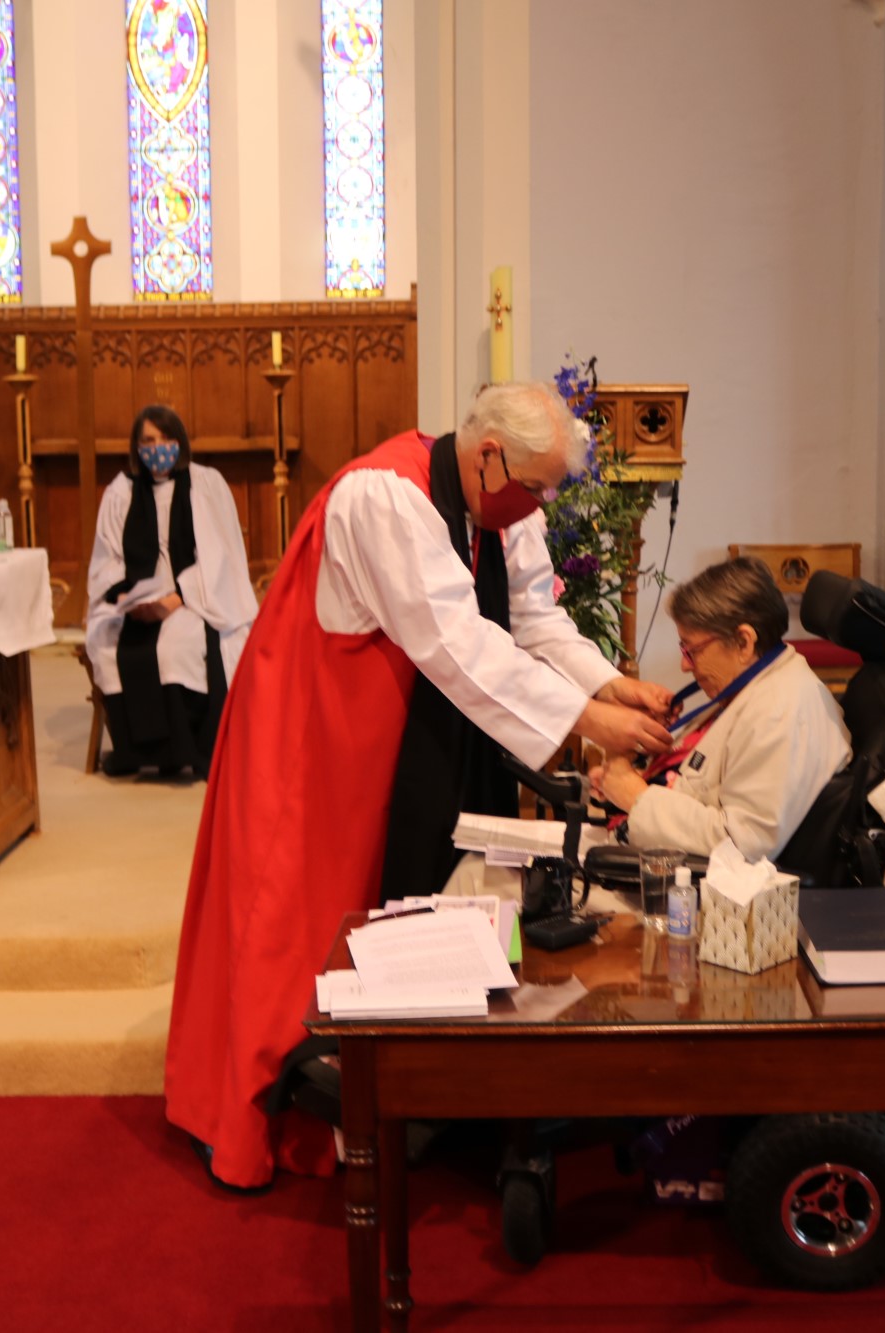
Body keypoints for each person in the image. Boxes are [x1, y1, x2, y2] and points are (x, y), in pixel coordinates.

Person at [164, 381, 675, 1191]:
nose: (542, 504)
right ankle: (254, 1112)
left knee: (419, 898)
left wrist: (608, 686)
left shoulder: (502, 501)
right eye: (535, 485)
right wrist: (584, 721)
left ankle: (416, 1093)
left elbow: (536, 620)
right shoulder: (385, 498)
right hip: (318, 733)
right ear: (487, 455)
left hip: (413, 730)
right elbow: (458, 641)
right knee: (296, 918)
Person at [590, 557, 851, 862]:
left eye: (692, 650)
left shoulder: (780, 714)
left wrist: (636, 796)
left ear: (743, 641)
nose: (684, 665)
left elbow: (744, 843)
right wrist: (627, 781)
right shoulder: (761, 683)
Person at [85, 406, 258, 777]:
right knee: (106, 640)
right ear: (136, 447)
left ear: (179, 442)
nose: (157, 448)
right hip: (136, 600)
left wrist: (176, 599)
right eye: (147, 441)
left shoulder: (205, 484)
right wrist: (127, 601)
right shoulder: (121, 492)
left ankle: (184, 751)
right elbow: (107, 557)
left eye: (165, 439)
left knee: (176, 644)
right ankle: (131, 752)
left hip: (196, 596)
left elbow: (220, 556)